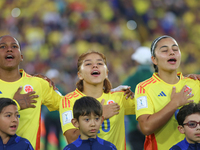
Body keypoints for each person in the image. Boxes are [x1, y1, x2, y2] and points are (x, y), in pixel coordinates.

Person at [135, 35, 200, 150]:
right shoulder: (144, 88)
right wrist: (174, 104)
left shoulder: (195, 83)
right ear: (154, 60)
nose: (171, 52)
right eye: (165, 50)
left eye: (175, 49)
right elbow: (146, 127)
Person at [59, 51, 135, 150]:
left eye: (100, 63)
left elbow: (152, 113)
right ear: (80, 75)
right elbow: (72, 139)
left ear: (106, 73)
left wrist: (135, 95)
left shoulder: (120, 97)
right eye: (88, 64)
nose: (95, 66)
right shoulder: (68, 100)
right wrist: (99, 114)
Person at [0, 35, 63, 150]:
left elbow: (68, 105)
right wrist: (16, 104)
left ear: (21, 57)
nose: (9, 49)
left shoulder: (38, 84)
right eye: (2, 46)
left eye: (14, 46)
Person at [123, 46, 153, 150]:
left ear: (136, 61)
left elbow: (126, 103)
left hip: (135, 129)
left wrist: (137, 124)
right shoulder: (158, 79)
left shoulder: (129, 81)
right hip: (156, 127)